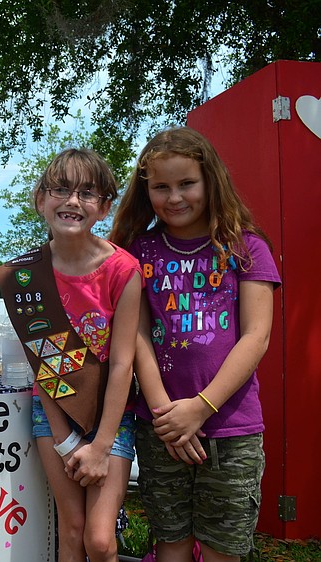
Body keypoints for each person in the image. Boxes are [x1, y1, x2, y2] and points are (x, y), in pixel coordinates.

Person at [110, 127, 281, 562]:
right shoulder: (138, 251)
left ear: (211, 181)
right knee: (171, 546)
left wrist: (200, 407)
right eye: (161, 187)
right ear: (146, 191)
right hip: (161, 427)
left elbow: (256, 337)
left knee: (224, 549)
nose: (175, 197)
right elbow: (137, 335)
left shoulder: (246, 247)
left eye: (187, 183)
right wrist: (168, 414)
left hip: (230, 427)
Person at [0, 148, 142, 562]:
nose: (72, 201)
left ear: (105, 207)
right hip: (52, 414)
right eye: (60, 189)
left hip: (110, 415)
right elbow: (38, 361)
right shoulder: (23, 274)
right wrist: (63, 439)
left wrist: (100, 446)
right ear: (41, 200)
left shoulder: (122, 269)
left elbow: (122, 363)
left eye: (87, 193)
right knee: (72, 530)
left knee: (100, 540)